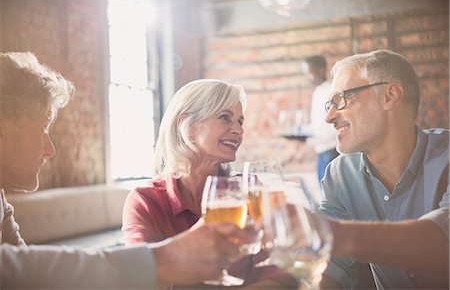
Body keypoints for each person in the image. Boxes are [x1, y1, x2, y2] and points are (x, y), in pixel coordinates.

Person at [0, 52, 250, 288]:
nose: (50, 149)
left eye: (239, 121)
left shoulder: (1, 201)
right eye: (43, 127)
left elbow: (23, 277)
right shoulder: (146, 198)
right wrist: (163, 259)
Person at [122, 79, 296, 288]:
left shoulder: (250, 189)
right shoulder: (146, 201)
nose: (239, 131)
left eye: (240, 121)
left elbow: (281, 275)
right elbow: (140, 280)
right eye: (225, 117)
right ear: (188, 127)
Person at [317, 49, 449, 289]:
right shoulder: (339, 175)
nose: (329, 117)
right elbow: (329, 267)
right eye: (329, 104)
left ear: (390, 96)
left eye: (341, 100)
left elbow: (444, 241)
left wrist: (328, 233)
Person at [303, 55, 339, 183]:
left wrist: (315, 139)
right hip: (321, 151)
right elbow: (318, 124)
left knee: (330, 193)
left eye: (310, 73)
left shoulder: (331, 91)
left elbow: (336, 124)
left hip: (331, 151)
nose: (307, 77)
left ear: (321, 70)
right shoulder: (317, 91)